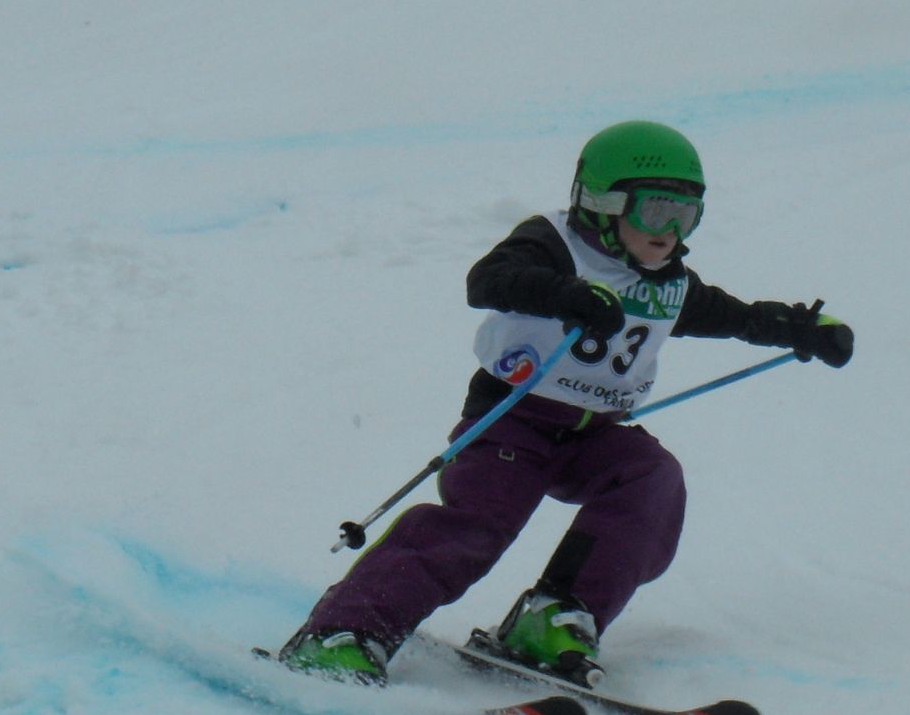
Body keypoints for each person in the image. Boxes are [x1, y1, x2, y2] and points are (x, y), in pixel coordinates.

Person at [278, 120, 853, 686]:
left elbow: (734, 316)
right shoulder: (553, 243)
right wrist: (566, 295)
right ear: (603, 204)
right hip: (511, 421)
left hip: (593, 433)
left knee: (651, 478)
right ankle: (344, 631)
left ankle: (554, 614)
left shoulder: (669, 282)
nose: (669, 231)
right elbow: (489, 280)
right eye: (655, 211)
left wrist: (799, 329)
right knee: (478, 525)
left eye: (686, 215)